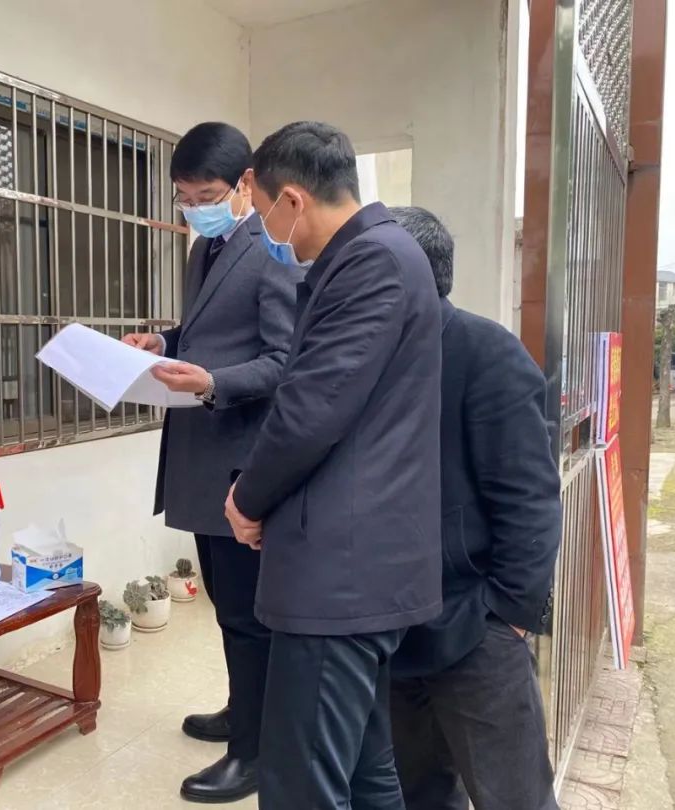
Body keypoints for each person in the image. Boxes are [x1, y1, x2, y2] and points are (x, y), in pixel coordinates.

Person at [223, 122, 443, 810]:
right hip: (362, 571)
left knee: (302, 782)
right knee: (365, 770)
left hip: (338, 577)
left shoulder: (370, 262)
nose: (268, 234)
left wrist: (247, 499)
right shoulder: (384, 254)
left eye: (264, 215)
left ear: (293, 199)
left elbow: (310, 409)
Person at [123, 122, 298, 803]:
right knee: (228, 605)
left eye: (206, 195)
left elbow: (284, 361)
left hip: (240, 461)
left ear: (246, 183)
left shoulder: (274, 250)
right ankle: (242, 710)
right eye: (184, 196)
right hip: (201, 454)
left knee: (249, 616)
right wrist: (164, 341)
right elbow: (211, 333)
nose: (194, 207)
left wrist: (213, 383)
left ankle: (253, 753)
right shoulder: (206, 248)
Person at [387, 206, 561, 810]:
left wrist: (507, 613)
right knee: (418, 793)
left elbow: (530, 497)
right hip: (392, 625)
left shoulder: (486, 353)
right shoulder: (369, 358)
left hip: (474, 624)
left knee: (513, 797)